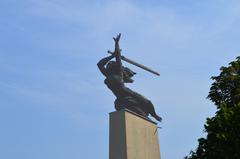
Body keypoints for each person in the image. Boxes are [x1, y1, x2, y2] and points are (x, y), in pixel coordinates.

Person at [97, 34, 162, 122]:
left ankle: (154, 115)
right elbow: (100, 64)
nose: (108, 64)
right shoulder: (107, 75)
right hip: (120, 97)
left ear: (114, 67)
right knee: (137, 110)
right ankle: (149, 117)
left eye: (111, 64)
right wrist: (112, 56)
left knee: (147, 102)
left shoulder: (119, 73)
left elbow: (118, 56)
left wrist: (116, 44)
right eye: (108, 64)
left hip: (128, 93)